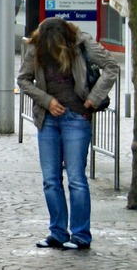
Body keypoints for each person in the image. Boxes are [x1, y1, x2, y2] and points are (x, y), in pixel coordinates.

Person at [17, 16, 119, 250]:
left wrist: (94, 98)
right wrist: (46, 100)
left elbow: (111, 66)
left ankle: (81, 234)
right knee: (51, 180)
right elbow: (23, 79)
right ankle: (58, 231)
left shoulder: (81, 43)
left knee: (76, 179)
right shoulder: (36, 46)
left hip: (76, 117)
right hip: (48, 119)